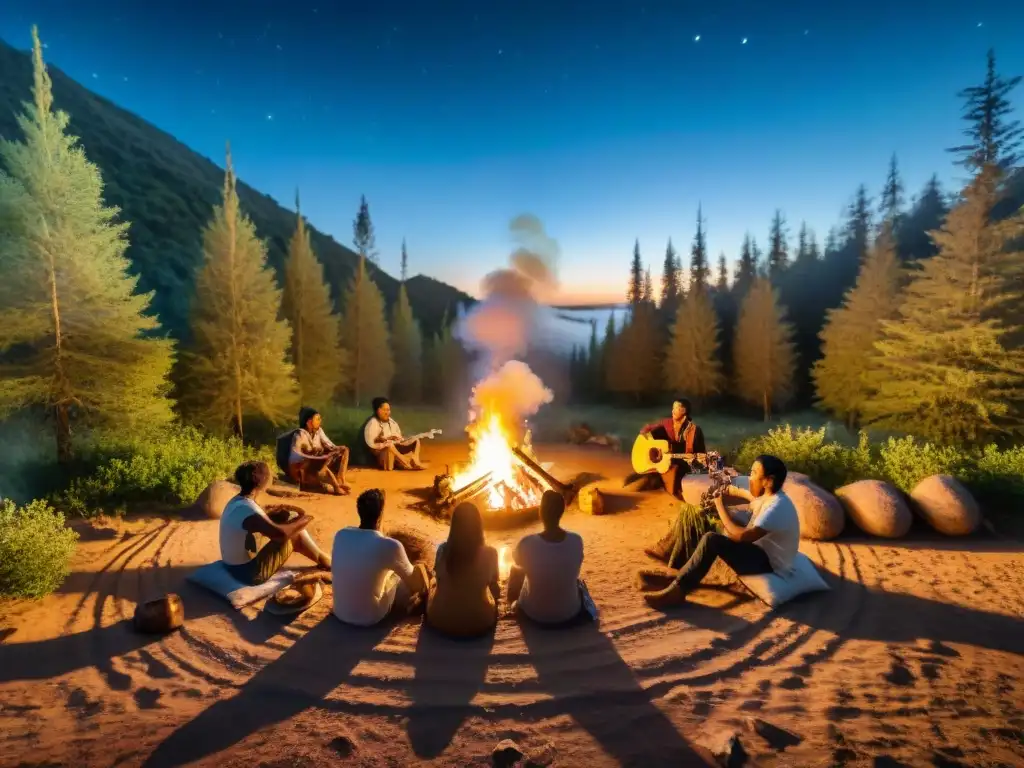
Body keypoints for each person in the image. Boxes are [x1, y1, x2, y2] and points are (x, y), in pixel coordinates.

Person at [644, 454, 800, 609]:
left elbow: (743, 536)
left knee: (712, 539)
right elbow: (736, 484)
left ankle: (678, 591)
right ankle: (680, 574)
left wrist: (719, 506)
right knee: (709, 523)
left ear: (768, 481)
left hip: (769, 565)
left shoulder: (776, 506)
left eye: (753, 473)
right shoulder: (769, 495)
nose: (750, 477)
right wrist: (722, 488)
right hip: (762, 552)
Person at [219, 461, 331, 585]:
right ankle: (325, 560)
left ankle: (323, 559)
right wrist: (305, 519)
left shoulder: (237, 502)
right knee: (295, 534)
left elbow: (254, 522)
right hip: (248, 574)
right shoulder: (248, 509)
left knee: (290, 529)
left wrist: (276, 515)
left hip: (233, 566)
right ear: (262, 482)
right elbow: (281, 534)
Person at [331, 488, 428, 626]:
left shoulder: (341, 534)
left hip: (340, 612)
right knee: (400, 578)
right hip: (371, 617)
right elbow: (416, 584)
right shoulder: (391, 546)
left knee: (382, 570)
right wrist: (421, 567)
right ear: (381, 514)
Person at [507, 490, 590, 626]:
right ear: (561, 512)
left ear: (541, 512)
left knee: (516, 569)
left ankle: (513, 604)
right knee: (578, 583)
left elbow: (517, 560)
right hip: (569, 613)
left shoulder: (527, 543)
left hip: (534, 614)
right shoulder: (576, 540)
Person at [426, 502, 501, 638]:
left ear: (454, 526)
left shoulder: (443, 550)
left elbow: (439, 579)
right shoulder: (491, 553)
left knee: (432, 582)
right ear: (479, 525)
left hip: (441, 619)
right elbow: (495, 589)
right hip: (479, 622)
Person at [637, 397, 707, 499]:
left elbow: (696, 453)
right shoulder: (667, 423)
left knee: (678, 469)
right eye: (672, 408)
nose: (672, 411)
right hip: (670, 457)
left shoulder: (694, 430)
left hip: (687, 461)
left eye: (676, 408)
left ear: (684, 411)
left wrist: (673, 457)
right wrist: (645, 432)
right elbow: (649, 427)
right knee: (657, 432)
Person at [288, 407, 351, 495]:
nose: (320, 421)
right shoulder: (299, 435)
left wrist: (337, 449)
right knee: (320, 459)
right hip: (303, 469)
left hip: (317, 465)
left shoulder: (319, 431)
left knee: (344, 450)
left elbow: (330, 445)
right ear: (309, 422)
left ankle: (341, 480)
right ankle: (336, 486)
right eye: (317, 419)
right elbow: (294, 457)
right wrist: (311, 455)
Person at [363, 396, 425, 471]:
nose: (387, 413)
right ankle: (406, 463)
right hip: (383, 455)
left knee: (416, 440)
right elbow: (372, 446)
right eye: (384, 410)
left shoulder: (392, 423)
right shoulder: (372, 424)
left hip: (396, 450)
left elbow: (399, 438)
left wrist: (399, 440)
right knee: (389, 446)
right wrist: (386, 441)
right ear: (378, 411)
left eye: (388, 410)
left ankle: (415, 461)